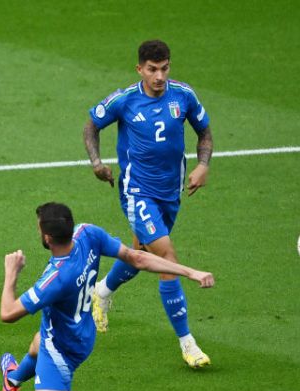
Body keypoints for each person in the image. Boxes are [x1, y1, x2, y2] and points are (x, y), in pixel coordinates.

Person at [0, 203, 214, 391]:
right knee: (38, 341)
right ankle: (13, 379)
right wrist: (191, 271)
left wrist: (11, 274)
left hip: (63, 347)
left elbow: (7, 313)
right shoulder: (88, 234)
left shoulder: (55, 278)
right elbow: (138, 257)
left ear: (47, 237)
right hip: (85, 333)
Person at [83, 39, 215, 368]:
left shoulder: (183, 95)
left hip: (170, 192)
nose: (159, 76)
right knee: (166, 256)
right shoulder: (125, 100)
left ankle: (101, 293)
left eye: (165, 68)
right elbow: (91, 125)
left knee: (140, 252)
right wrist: (97, 162)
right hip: (137, 191)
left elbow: (205, 133)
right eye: (153, 69)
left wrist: (203, 165)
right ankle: (188, 343)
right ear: (139, 69)